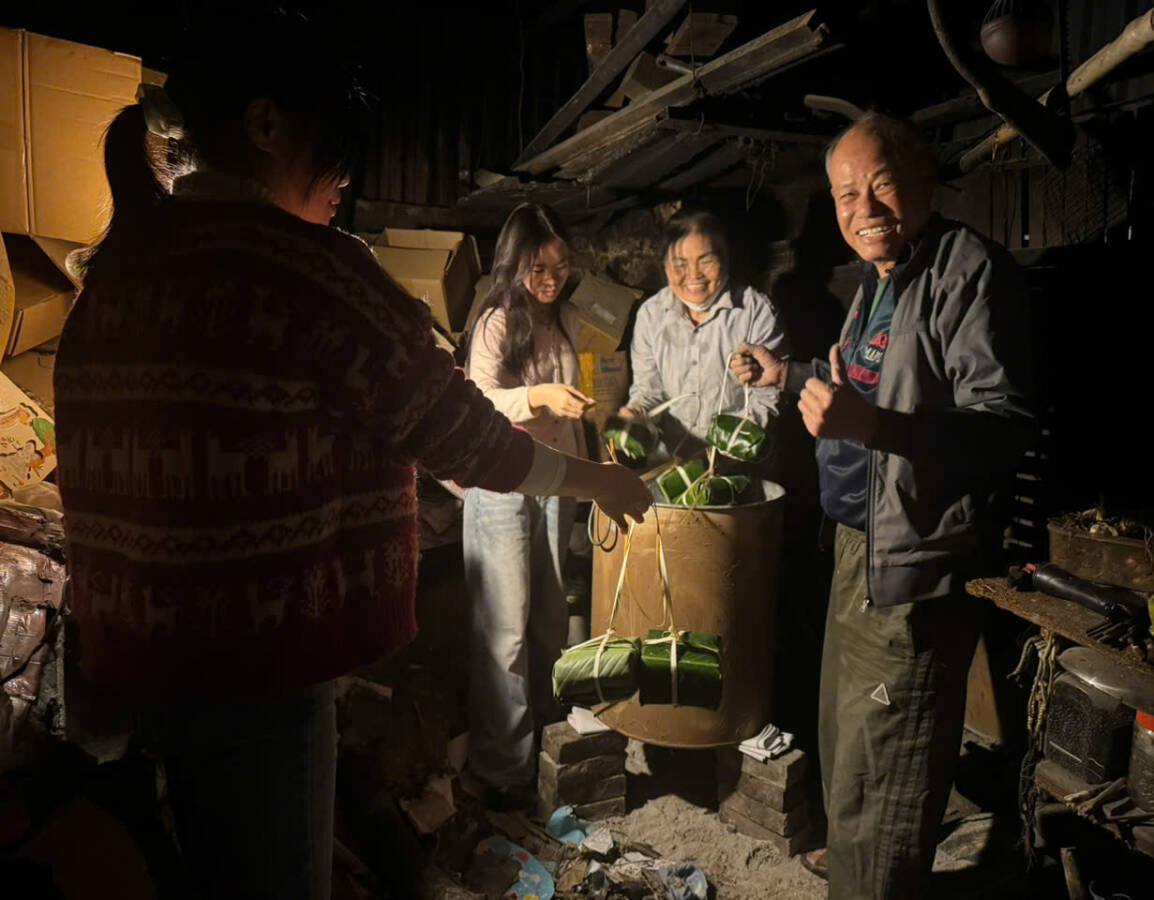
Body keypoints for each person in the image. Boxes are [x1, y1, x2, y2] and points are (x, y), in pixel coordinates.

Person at [51, 15, 650, 900]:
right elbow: (461, 431)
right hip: (261, 665)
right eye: (333, 150)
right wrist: (597, 480)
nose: (344, 179)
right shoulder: (312, 271)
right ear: (265, 124)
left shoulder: (120, 269)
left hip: (141, 660)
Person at [732, 113, 1036, 899]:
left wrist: (869, 427)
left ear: (923, 180)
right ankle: (856, 869)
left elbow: (1001, 428)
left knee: (889, 765)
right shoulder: (878, 278)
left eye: (882, 184)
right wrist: (789, 375)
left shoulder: (969, 272)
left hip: (913, 563)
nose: (862, 208)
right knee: (848, 739)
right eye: (845, 194)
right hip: (855, 547)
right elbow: (865, 390)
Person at [462, 203, 592, 809]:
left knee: (548, 619)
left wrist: (590, 476)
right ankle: (502, 770)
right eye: (539, 269)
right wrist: (537, 396)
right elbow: (477, 400)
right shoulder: (495, 322)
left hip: (553, 483)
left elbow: (573, 415)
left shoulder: (565, 319)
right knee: (506, 632)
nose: (551, 280)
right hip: (501, 486)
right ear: (514, 264)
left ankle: (545, 745)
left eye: (560, 267)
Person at [620, 211, 786, 463]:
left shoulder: (755, 312)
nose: (693, 275)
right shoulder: (651, 315)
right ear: (665, 266)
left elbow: (768, 399)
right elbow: (648, 389)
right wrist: (636, 414)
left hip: (737, 464)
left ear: (725, 258)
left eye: (705, 261)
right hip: (671, 464)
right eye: (680, 264)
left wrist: (724, 454)